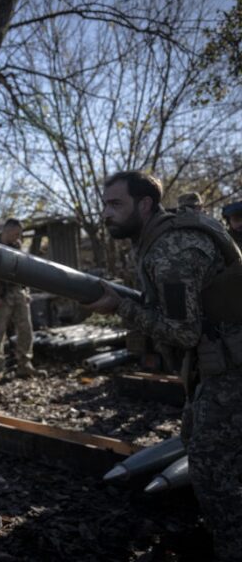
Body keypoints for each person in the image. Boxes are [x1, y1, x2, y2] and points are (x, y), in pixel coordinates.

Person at [85, 170, 242, 562]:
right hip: (218, 366)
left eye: (115, 204)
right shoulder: (158, 238)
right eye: (104, 204)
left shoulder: (173, 250)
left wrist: (120, 307)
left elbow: (183, 332)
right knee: (196, 441)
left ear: (145, 204)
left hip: (233, 371)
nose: (106, 213)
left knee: (210, 469)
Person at [0, 219, 44, 379]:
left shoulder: (18, 247)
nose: (18, 237)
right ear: (7, 231)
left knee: (26, 330)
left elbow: (24, 271)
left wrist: (26, 291)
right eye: (16, 233)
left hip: (18, 293)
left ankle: (25, 364)